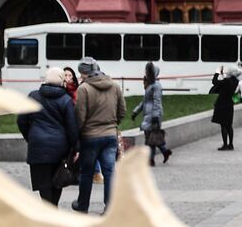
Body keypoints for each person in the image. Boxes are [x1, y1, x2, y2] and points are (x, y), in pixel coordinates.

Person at [16, 67, 78, 205]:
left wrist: (30, 137)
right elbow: (72, 127)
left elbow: (21, 120)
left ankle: (47, 209)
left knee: (43, 184)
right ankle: (53, 209)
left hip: (38, 146)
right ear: (62, 81)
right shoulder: (66, 100)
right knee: (57, 181)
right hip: (60, 148)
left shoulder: (33, 96)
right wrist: (75, 147)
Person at [72, 57, 125, 213]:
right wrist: (112, 124)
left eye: (81, 74)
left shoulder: (84, 89)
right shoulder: (114, 86)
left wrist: (78, 134)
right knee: (109, 172)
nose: (80, 77)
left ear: (85, 74)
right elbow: (122, 111)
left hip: (90, 136)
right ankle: (110, 207)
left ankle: (83, 205)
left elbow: (80, 116)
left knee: (86, 172)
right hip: (110, 135)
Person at [132, 62, 172, 166]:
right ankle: (164, 152)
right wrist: (136, 111)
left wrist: (155, 115)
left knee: (151, 138)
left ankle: (151, 159)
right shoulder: (150, 86)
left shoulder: (156, 86)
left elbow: (157, 101)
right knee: (151, 137)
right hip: (148, 115)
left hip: (153, 115)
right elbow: (144, 101)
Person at [210, 65, 241, 151]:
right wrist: (223, 75)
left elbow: (215, 82)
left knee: (223, 125)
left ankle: (225, 144)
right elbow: (226, 81)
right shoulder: (235, 81)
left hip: (222, 103)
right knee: (229, 125)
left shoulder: (227, 81)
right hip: (229, 104)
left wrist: (217, 73)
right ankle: (231, 144)